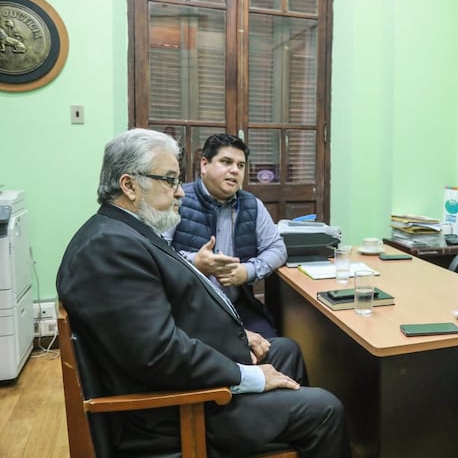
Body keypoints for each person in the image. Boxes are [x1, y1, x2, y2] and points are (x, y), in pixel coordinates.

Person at [57, 129, 350, 458]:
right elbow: (158, 354)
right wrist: (247, 375)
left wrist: (239, 335)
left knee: (285, 351)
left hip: (191, 383)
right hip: (180, 412)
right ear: (129, 185)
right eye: (170, 180)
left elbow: (162, 324)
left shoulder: (125, 232)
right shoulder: (109, 248)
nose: (180, 192)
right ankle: (288, 423)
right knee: (325, 408)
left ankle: (282, 428)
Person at [165, 133, 287, 338]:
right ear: (204, 164)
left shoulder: (251, 204)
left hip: (237, 306)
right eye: (226, 162)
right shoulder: (178, 200)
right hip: (188, 308)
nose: (234, 171)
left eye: (240, 165)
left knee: (274, 346)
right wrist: (195, 262)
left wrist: (247, 271)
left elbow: (277, 248)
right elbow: (156, 250)